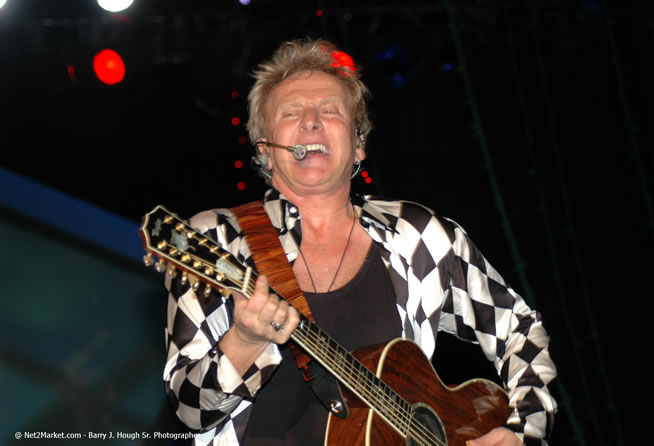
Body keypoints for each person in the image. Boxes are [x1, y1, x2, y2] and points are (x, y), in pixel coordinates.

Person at [162, 37, 558, 445]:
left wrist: (523, 431)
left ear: (358, 145)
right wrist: (245, 342)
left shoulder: (418, 236)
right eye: (292, 112)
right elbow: (191, 412)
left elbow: (519, 326)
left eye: (330, 111)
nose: (311, 122)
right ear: (265, 151)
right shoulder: (216, 237)